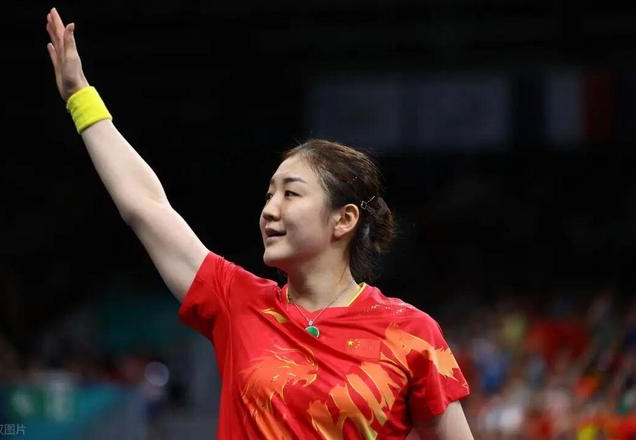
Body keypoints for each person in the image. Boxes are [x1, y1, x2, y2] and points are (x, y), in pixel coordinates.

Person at [45, 7, 474, 439]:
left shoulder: (411, 334)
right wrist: (80, 97)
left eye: (291, 194)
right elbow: (146, 206)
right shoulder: (237, 302)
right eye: (269, 195)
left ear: (343, 219)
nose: (269, 210)